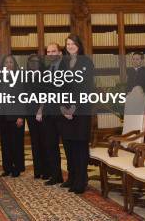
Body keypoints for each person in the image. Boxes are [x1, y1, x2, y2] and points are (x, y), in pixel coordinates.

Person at [58, 34, 94, 194]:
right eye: (68, 44)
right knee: (69, 146)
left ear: (79, 45)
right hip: (65, 111)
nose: (70, 46)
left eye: (73, 43)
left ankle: (81, 181)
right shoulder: (63, 62)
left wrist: (73, 107)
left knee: (80, 146)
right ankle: (72, 178)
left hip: (81, 111)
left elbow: (85, 87)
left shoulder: (86, 62)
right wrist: (63, 107)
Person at [0, 55, 25, 177]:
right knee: (5, 143)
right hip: (3, 116)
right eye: (6, 62)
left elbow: (23, 98)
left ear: (14, 65)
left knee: (16, 144)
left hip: (16, 116)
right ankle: (7, 168)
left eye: (11, 62)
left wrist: (21, 116)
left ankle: (17, 168)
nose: (8, 64)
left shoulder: (20, 77)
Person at [42, 42, 64, 185]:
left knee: (67, 146)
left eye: (53, 51)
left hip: (62, 113)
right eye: (48, 52)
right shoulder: (47, 69)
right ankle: (56, 176)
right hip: (48, 113)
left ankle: (74, 177)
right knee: (51, 145)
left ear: (60, 53)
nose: (50, 54)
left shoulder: (66, 67)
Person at [24, 54, 48, 179]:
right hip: (30, 112)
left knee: (44, 140)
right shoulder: (26, 76)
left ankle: (46, 170)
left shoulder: (45, 76)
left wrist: (41, 109)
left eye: (36, 61)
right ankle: (37, 170)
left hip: (42, 111)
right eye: (31, 62)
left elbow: (47, 94)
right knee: (34, 141)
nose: (33, 64)